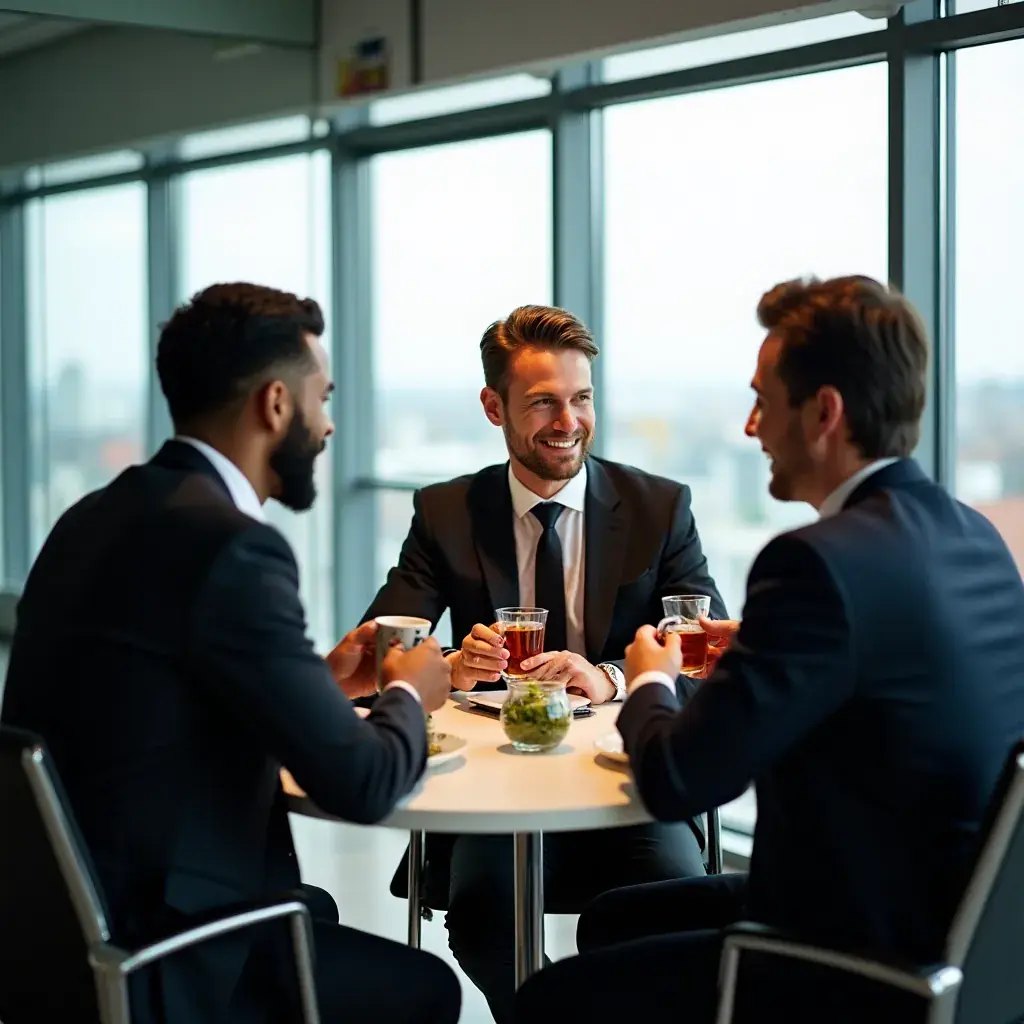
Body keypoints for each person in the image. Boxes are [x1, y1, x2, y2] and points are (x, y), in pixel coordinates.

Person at [514, 275, 1024, 1023]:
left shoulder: (816, 562)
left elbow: (677, 781)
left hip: (847, 959)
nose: (752, 426)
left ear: (824, 412)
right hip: (958, 941)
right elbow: (884, 688)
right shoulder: (975, 536)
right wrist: (760, 649)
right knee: (614, 919)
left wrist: (650, 679)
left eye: (763, 399)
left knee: (545, 1002)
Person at [0, 283, 461, 1024]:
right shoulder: (233, 547)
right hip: (167, 955)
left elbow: (163, 695)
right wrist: (410, 691)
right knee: (428, 989)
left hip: (62, 941)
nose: (329, 424)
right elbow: (364, 783)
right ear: (276, 405)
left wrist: (322, 682)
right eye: (322, 398)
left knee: (317, 910)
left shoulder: (93, 516)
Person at [364, 304, 726, 1023]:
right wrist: (448, 665)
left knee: (674, 920)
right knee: (483, 922)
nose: (568, 422)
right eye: (542, 403)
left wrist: (613, 676)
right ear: (493, 406)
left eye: (581, 398)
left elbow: (706, 659)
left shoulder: (658, 507)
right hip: (496, 789)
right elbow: (384, 646)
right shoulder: (446, 512)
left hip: (627, 782)